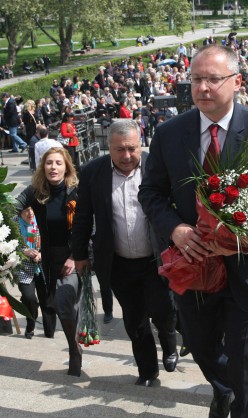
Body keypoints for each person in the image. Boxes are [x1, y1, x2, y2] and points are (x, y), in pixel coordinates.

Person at [138, 44, 248, 418]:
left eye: (213, 79)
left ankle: (244, 410)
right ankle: (224, 389)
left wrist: (244, 238)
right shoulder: (169, 133)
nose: (203, 87)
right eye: (196, 79)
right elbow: (151, 192)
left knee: (246, 352)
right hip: (193, 266)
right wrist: (175, 229)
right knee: (200, 343)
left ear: (237, 82)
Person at [71, 119, 178, 387]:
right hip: (118, 262)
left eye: (132, 148)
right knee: (134, 320)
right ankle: (147, 370)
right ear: (108, 147)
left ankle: (169, 343)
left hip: (156, 258)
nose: (127, 156)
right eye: (120, 150)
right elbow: (83, 216)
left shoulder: (157, 165)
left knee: (163, 310)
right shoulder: (93, 172)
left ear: (140, 144)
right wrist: (80, 254)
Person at [15, 148, 82, 376]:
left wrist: (75, 256)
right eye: (49, 163)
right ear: (43, 167)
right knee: (60, 306)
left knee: (64, 299)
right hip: (47, 261)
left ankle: (74, 350)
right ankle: (75, 343)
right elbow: (9, 210)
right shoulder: (35, 191)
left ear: (67, 167)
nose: (53, 167)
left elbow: (90, 226)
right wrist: (18, 244)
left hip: (72, 258)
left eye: (58, 163)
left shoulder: (76, 192)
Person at [16, 207, 56, 339]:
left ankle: (49, 330)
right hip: (24, 269)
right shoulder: (14, 224)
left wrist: (41, 255)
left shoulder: (41, 221)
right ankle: (31, 322)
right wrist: (24, 252)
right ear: (20, 213)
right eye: (26, 210)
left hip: (42, 266)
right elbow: (10, 247)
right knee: (29, 298)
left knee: (47, 299)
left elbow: (52, 243)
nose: (30, 213)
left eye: (32, 209)